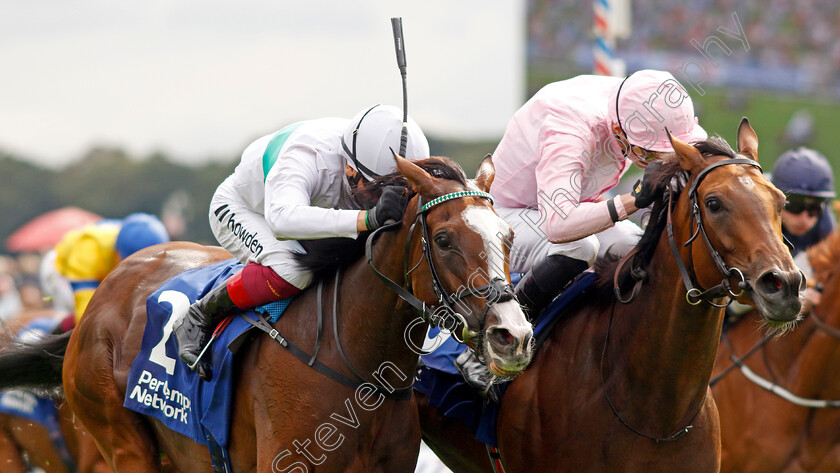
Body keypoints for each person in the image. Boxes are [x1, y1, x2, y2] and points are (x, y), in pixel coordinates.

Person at [174, 104, 430, 381]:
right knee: (292, 270)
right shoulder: (309, 155)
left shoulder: (368, 156)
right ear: (350, 168)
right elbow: (282, 220)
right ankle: (200, 315)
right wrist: (368, 219)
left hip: (307, 213)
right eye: (376, 192)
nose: (380, 200)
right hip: (249, 209)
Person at [490, 69, 707, 318]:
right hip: (507, 218)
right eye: (650, 153)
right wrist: (635, 198)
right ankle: (500, 330)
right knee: (580, 247)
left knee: (637, 248)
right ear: (616, 129)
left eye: (669, 155)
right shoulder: (570, 130)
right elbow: (558, 225)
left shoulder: (643, 105)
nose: (659, 161)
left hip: (566, 207)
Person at [51, 213, 170, 329]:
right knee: (87, 318)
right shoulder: (88, 251)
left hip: (105, 269)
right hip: (61, 271)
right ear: (118, 252)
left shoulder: (134, 241)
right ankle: (48, 340)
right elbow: (84, 309)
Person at [772, 147, 835, 308]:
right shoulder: (755, 212)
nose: (805, 218)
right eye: (795, 207)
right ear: (775, 197)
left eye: (815, 208)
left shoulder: (826, 226)